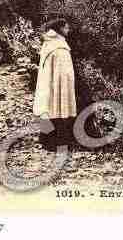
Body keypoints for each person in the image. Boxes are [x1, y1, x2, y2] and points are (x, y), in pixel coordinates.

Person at [33, 18, 77, 151]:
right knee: (59, 111)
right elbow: (64, 73)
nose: (68, 30)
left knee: (48, 109)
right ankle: (56, 144)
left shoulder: (49, 43)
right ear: (61, 28)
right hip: (58, 86)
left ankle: (46, 141)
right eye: (67, 28)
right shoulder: (59, 47)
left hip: (48, 84)